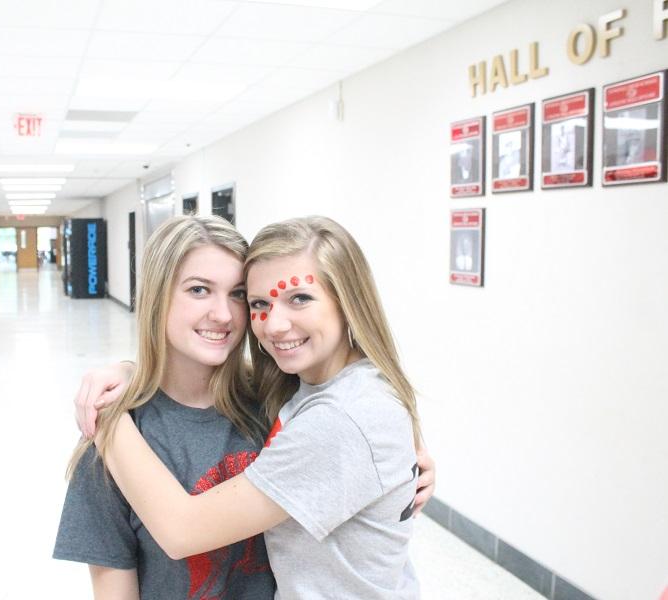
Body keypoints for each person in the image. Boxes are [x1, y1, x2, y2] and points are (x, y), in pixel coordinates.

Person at [91, 216, 424, 599]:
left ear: (348, 301)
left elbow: (182, 530)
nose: (275, 324)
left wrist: (106, 417)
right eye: (259, 303)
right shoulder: (303, 392)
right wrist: (132, 371)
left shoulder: (341, 418)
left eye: (299, 297)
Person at [53, 215, 276, 599]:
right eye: (199, 290)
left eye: (238, 294)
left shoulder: (274, 403)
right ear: (157, 295)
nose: (223, 314)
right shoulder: (116, 436)